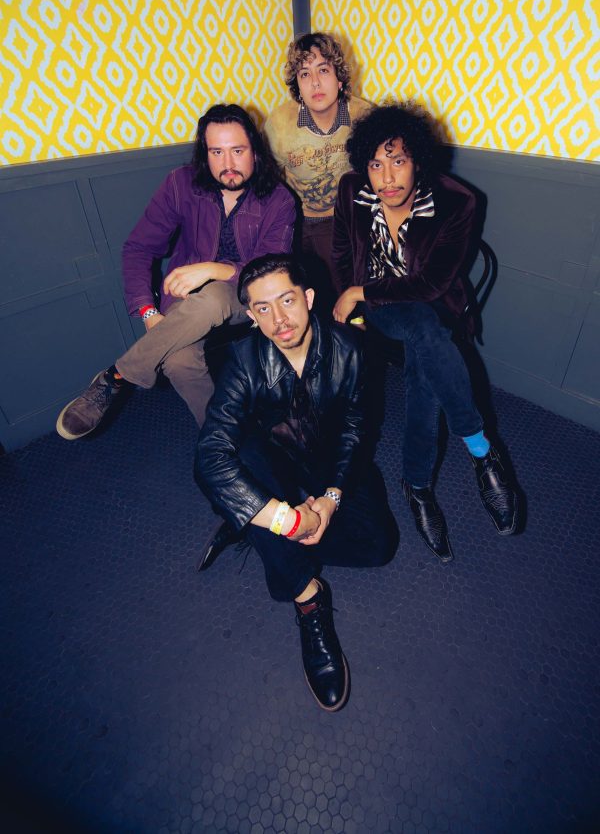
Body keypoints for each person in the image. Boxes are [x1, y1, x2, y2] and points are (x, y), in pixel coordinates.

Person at [194, 254, 398, 711]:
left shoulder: (352, 348)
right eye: (263, 308)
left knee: (380, 547)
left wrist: (330, 499)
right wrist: (285, 520)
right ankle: (308, 598)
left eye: (286, 301)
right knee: (237, 455)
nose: (279, 320)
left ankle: (253, 526)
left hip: (329, 465)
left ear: (308, 298)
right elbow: (209, 455)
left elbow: (356, 430)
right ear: (251, 315)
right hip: (275, 466)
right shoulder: (242, 361)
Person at [332, 103, 519, 562]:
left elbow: (431, 284)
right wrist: (355, 302)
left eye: (398, 161)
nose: (387, 178)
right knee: (422, 331)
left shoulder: (457, 202)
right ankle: (481, 452)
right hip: (380, 311)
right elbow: (341, 255)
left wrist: (356, 291)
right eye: (376, 164)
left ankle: (416, 487)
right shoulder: (352, 190)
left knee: (423, 367)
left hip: (433, 306)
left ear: (418, 161)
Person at [56, 104, 295, 439]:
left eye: (238, 150)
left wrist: (213, 269)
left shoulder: (279, 199)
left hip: (250, 296)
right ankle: (227, 440)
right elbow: (138, 248)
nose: (228, 163)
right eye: (217, 152)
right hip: (185, 299)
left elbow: (271, 270)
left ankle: (117, 377)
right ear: (205, 154)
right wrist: (148, 311)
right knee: (178, 361)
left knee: (214, 296)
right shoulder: (181, 184)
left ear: (255, 151)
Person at [264, 32, 370, 310]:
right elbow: (267, 182)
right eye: (304, 74)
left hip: (344, 219)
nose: (315, 83)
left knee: (339, 289)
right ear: (297, 85)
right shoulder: (279, 124)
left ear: (339, 78)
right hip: (295, 220)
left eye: (323, 70)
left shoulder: (363, 116)